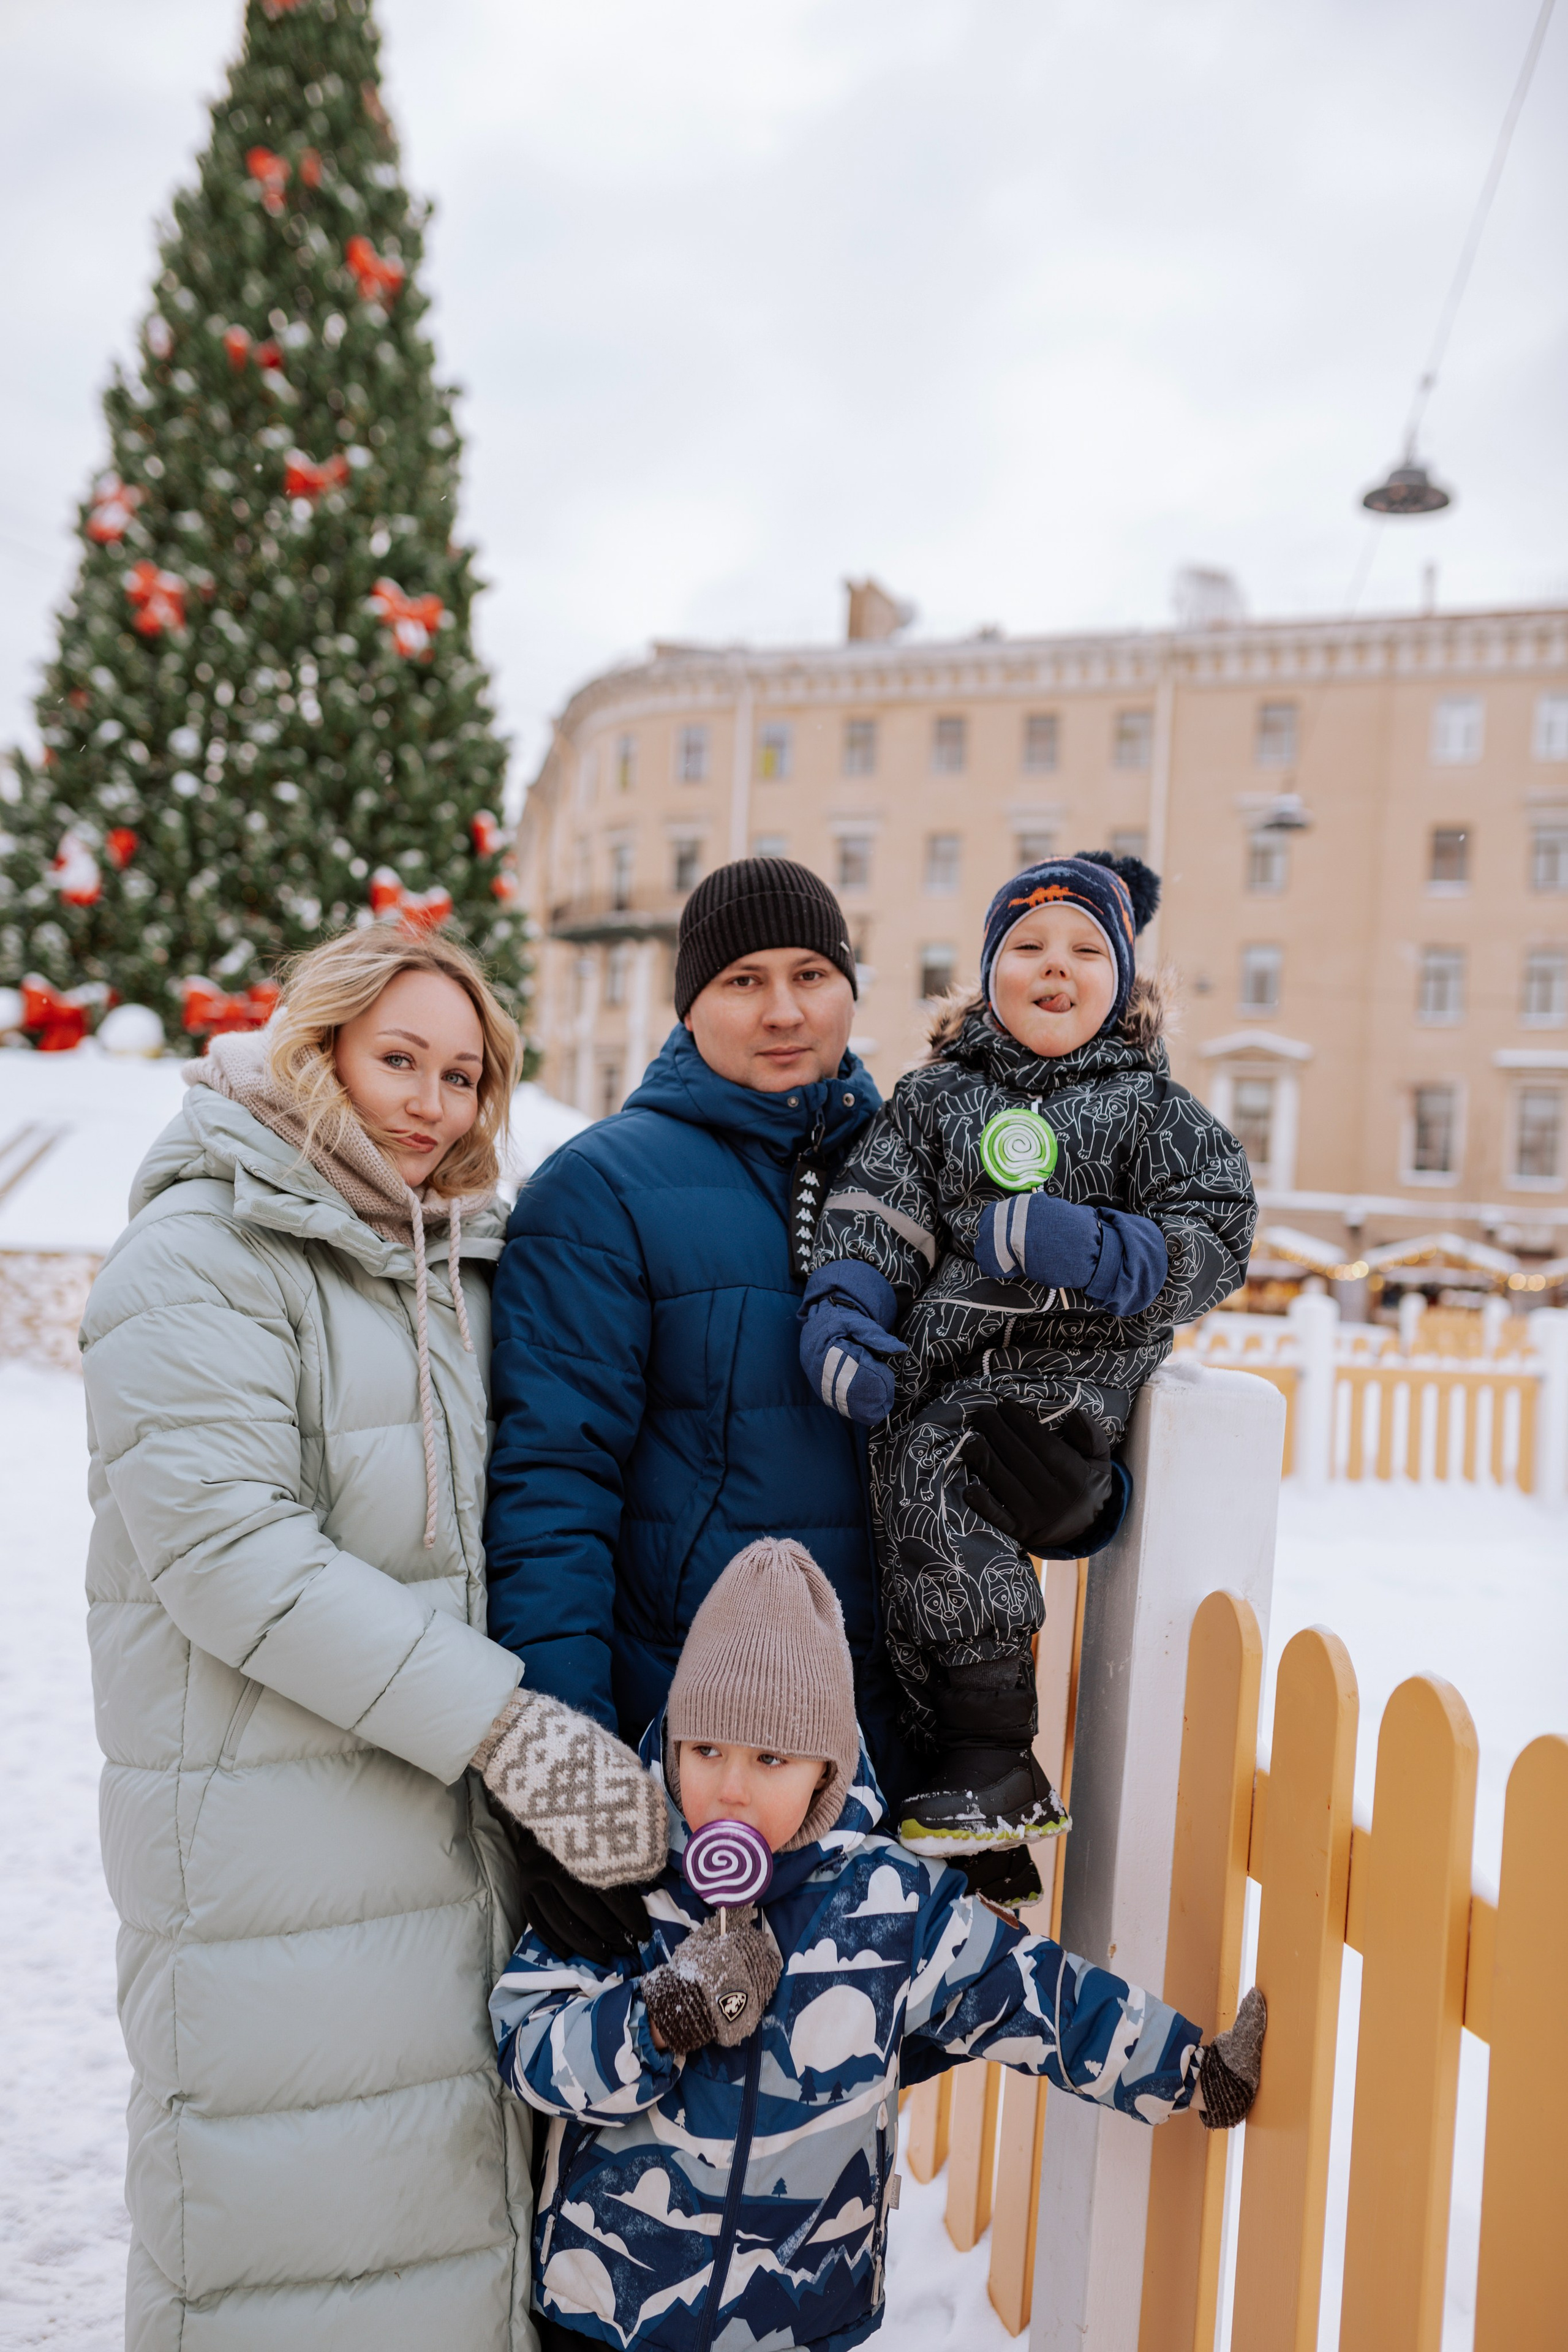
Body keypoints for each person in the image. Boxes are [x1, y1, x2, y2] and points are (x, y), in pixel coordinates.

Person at [81, 925, 665, 2352]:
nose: (430, 1104)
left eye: (462, 1076)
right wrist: (510, 1731)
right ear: (316, 1048)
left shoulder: (457, 1260)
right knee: (291, 2231)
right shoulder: (201, 1253)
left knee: (445, 2218)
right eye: (398, 1059)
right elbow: (230, 1552)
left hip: (441, 1835)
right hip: (268, 1840)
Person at [490, 1537, 1267, 2352]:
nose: (730, 1788)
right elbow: (527, 2043)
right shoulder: (622, 1874)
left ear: (826, 1769)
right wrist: (659, 2017)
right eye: (706, 1749)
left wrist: (1190, 2068)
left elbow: (1037, 1997)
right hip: (608, 2311)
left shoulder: (892, 1904)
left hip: (800, 2318)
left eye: (770, 1758)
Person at [798, 851, 1257, 1859]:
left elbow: (1216, 1236)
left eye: (1089, 950)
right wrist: (843, 1314)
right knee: (906, 1498)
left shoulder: (1151, 1110)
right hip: (942, 1372)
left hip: (1073, 1374)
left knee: (939, 1470)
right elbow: (876, 1216)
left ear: (1124, 983)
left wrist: (1095, 1248)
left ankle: (994, 1752)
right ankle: (962, 1792)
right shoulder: (935, 1102)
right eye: (1029, 946)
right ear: (986, 976)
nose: (1057, 965)